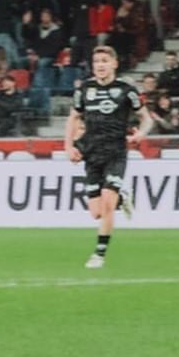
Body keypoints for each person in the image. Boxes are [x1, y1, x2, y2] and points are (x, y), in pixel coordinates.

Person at [64, 43, 152, 270]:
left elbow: (146, 118)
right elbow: (73, 118)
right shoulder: (85, 89)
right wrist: (69, 146)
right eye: (96, 62)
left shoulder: (126, 90)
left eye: (104, 61)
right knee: (96, 212)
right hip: (91, 153)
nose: (100, 66)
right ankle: (123, 198)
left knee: (107, 204)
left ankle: (99, 254)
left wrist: (141, 134)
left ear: (114, 64)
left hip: (115, 152)